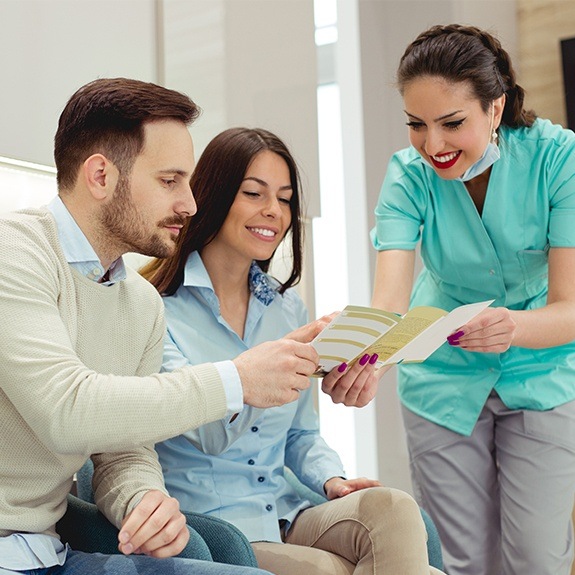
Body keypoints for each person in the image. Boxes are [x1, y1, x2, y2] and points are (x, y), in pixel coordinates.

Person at [0, 77, 365, 575]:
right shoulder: (15, 253)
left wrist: (143, 500)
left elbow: (123, 450)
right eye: (170, 181)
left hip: (50, 553)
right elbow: (68, 409)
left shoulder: (139, 302)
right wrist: (237, 379)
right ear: (101, 176)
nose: (190, 204)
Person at [142, 127, 445, 575]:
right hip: (214, 525)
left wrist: (333, 480)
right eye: (253, 193)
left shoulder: (287, 309)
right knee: (331, 571)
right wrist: (265, 368)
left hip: (285, 508)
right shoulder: (156, 311)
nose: (273, 212)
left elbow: (300, 434)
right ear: (213, 194)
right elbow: (206, 429)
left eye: (284, 199)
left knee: (394, 508)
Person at [370, 23, 575, 575]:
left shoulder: (559, 160)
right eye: (417, 124)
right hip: (440, 378)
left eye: (452, 123)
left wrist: (513, 327)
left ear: (495, 107)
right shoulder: (408, 177)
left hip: (543, 367)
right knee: (463, 562)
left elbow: (570, 308)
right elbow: (389, 301)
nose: (433, 146)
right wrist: (364, 354)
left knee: (537, 557)